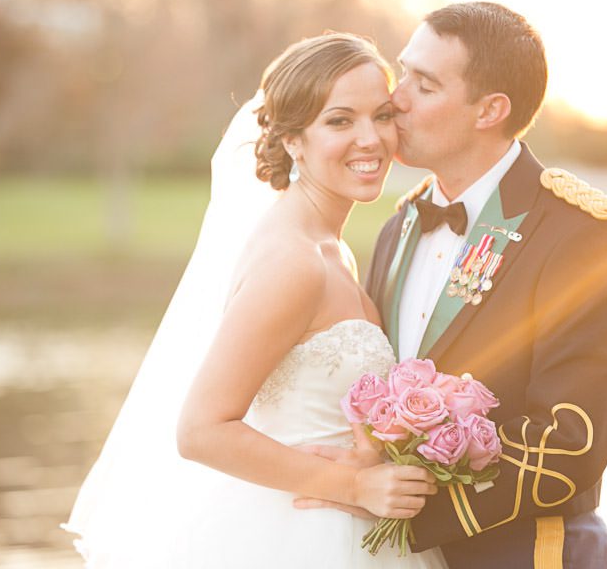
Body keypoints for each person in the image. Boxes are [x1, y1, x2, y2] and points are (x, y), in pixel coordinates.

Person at [62, 32, 448, 568]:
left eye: (382, 115)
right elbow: (201, 430)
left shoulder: (327, 248)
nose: (371, 139)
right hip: (298, 539)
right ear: (293, 140)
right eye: (340, 121)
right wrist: (355, 485)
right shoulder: (294, 263)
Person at [296, 2, 607, 568]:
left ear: (490, 110)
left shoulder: (583, 239)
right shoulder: (399, 227)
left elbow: (568, 446)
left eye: (424, 85)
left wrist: (403, 510)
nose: (395, 97)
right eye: (402, 72)